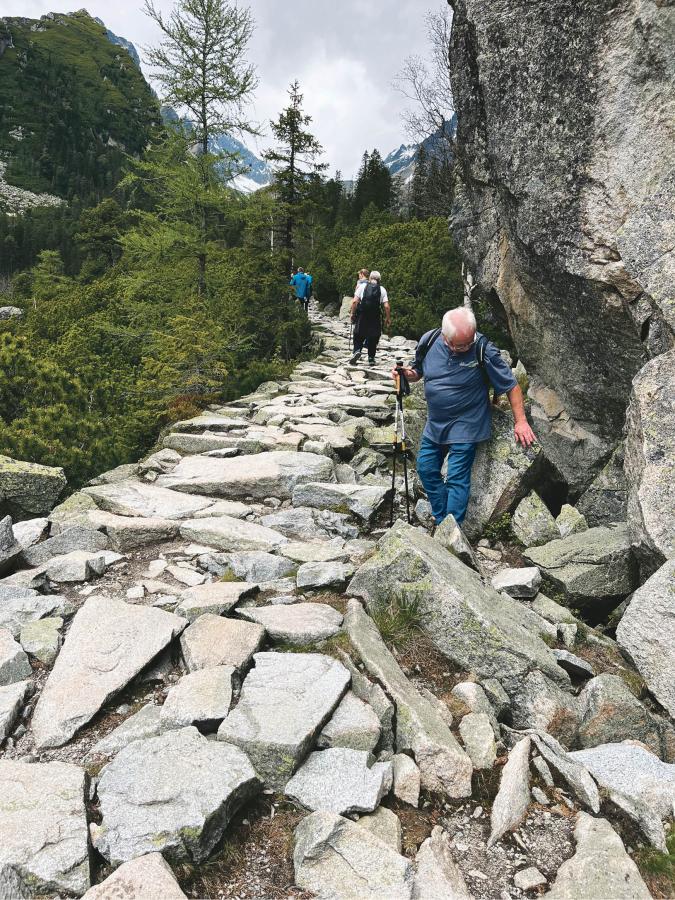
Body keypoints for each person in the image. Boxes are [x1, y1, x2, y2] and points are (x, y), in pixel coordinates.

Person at [393, 307, 536, 528]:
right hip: (435, 424)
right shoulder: (429, 340)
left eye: (469, 342)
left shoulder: (483, 349)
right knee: (425, 468)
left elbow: (511, 385)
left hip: (467, 424)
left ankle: (450, 530)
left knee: (456, 478)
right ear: (444, 336)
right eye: (460, 345)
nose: (466, 347)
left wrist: (521, 421)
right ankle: (443, 520)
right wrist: (406, 375)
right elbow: (417, 371)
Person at [350, 270, 391, 366]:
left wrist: (352, 313)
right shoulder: (382, 289)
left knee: (358, 333)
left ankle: (357, 351)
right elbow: (386, 306)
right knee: (374, 335)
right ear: (379, 280)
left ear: (370, 278)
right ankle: (371, 358)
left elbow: (354, 302)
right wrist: (388, 318)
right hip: (375, 315)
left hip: (362, 314)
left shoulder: (362, 286)